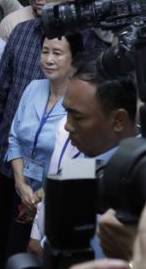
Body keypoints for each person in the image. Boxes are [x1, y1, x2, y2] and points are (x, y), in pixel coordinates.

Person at [28, 57, 138, 257]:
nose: (68, 126)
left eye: (77, 117)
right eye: (67, 113)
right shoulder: (82, 164)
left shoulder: (140, 181)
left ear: (118, 120)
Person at [0, 34, 82, 261]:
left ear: (73, 59)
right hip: (23, 193)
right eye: (45, 51)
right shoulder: (33, 88)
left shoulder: (80, 99)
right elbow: (14, 137)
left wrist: (40, 195)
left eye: (57, 53)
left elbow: (79, 160)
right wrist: (20, 183)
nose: (48, 59)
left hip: (56, 200)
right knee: (14, 257)